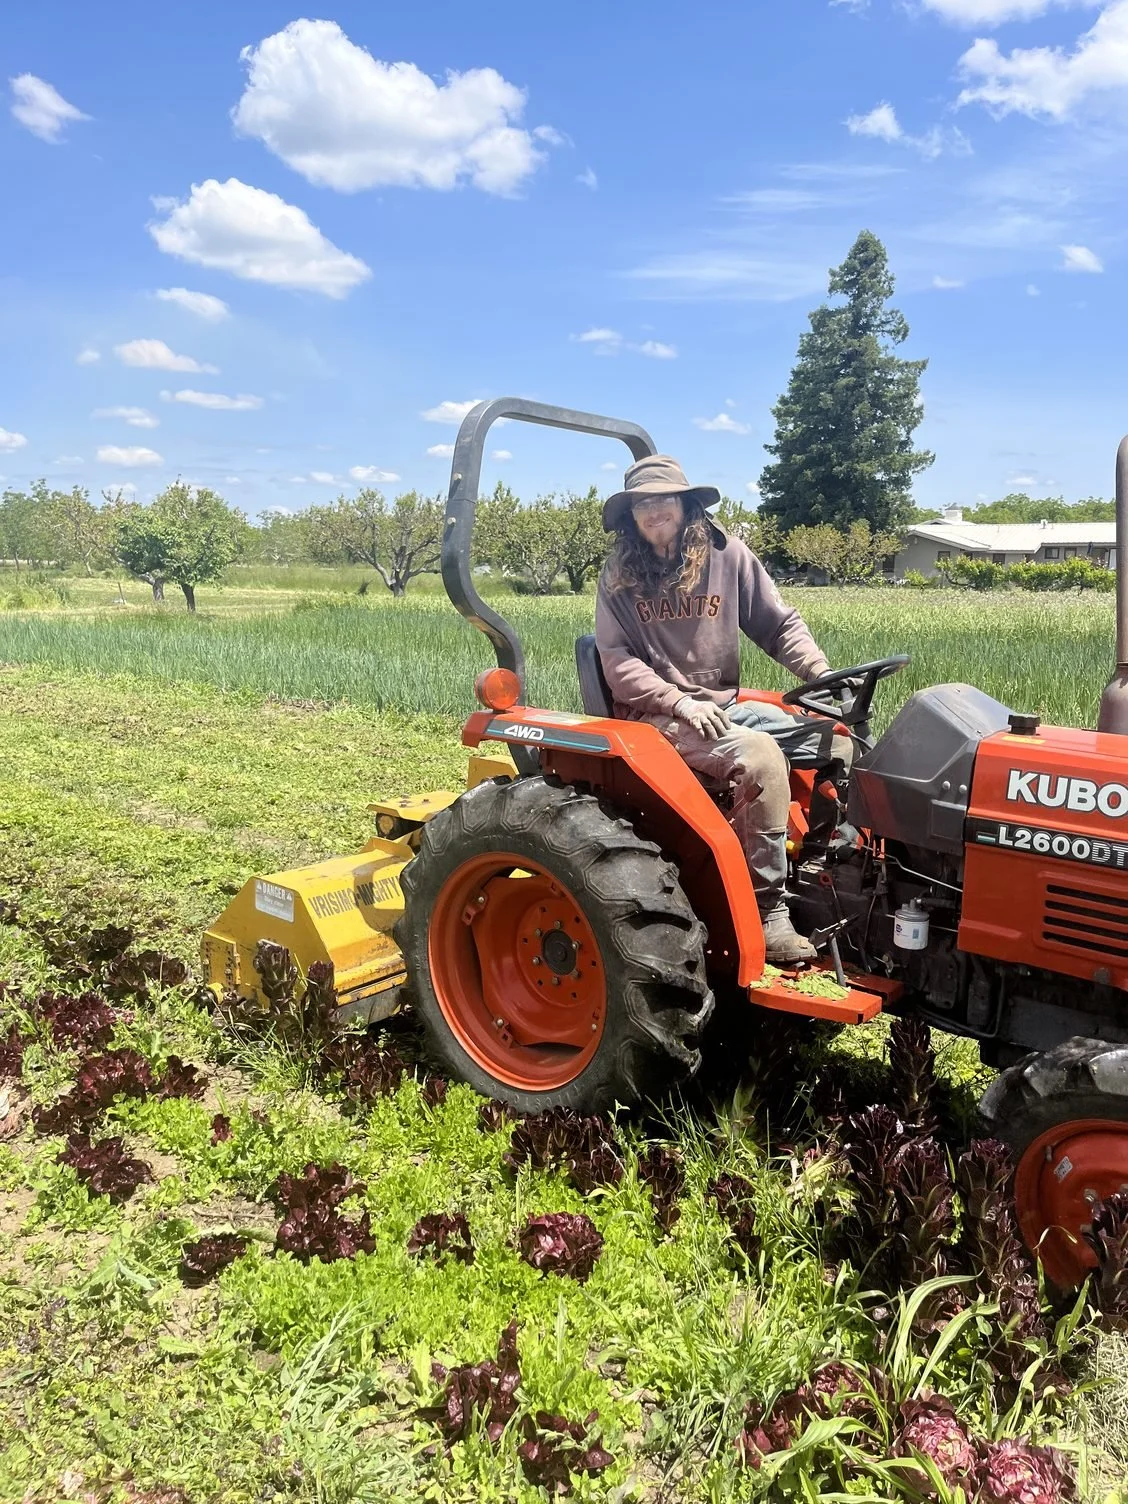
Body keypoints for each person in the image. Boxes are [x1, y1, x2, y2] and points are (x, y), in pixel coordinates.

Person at [595, 454, 853, 965]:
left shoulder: (727, 556)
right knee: (758, 758)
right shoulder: (619, 577)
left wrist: (821, 675)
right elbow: (616, 661)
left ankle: (822, 868)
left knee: (838, 741)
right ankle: (767, 909)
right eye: (642, 503)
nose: (654, 510)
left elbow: (778, 625)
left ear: (687, 504)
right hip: (654, 716)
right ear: (630, 516)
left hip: (722, 705)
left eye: (664, 498)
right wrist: (677, 701)